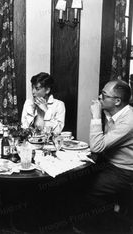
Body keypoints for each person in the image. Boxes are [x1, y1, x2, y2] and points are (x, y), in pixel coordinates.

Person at [70, 80, 133, 232]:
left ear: (117, 101)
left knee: (88, 191)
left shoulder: (129, 120)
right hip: (108, 162)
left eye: (104, 96)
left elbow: (97, 147)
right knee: (72, 181)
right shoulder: (114, 112)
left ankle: (116, 222)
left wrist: (96, 115)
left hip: (124, 170)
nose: (99, 98)